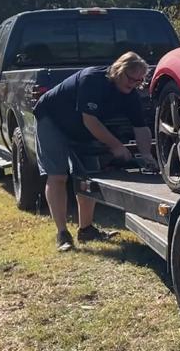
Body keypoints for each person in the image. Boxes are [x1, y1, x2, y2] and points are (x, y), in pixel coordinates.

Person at [33, 51, 158, 251]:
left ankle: (86, 229)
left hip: (82, 129)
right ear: (119, 70)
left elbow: (141, 127)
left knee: (87, 176)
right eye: (131, 78)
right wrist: (116, 146)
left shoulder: (130, 94)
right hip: (52, 119)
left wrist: (146, 154)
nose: (135, 83)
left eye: (139, 80)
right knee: (58, 176)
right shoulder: (92, 80)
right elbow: (90, 120)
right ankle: (62, 234)